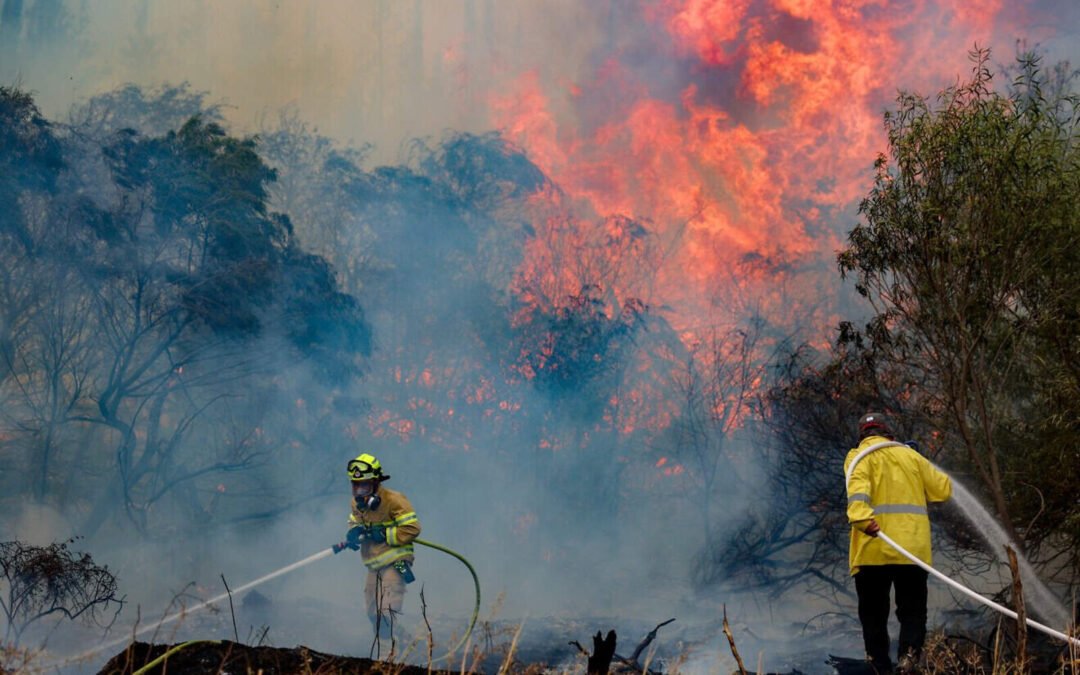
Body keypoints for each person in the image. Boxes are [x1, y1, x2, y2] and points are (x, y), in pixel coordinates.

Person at [845, 412, 951, 674]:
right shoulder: (910, 456)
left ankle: (879, 666)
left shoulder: (858, 455)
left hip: (873, 550)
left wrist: (860, 518)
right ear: (888, 433)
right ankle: (908, 662)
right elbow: (943, 489)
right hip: (911, 551)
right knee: (913, 613)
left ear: (863, 435)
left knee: (873, 615)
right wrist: (917, 458)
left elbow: (857, 489)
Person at [335, 452, 421, 643]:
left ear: (376, 483)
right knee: (372, 613)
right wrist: (354, 531)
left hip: (396, 562)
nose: (359, 490)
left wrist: (385, 534)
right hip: (374, 564)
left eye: (364, 485)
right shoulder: (356, 503)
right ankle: (403, 637)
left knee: (387, 611)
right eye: (355, 485)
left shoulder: (394, 500)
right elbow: (355, 521)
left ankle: (388, 659)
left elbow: (412, 528)